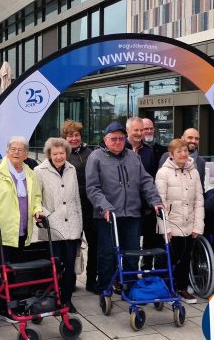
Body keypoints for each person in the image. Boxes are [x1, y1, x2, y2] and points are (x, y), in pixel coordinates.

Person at [86, 121, 163, 295]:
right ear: (106, 140)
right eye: (113, 139)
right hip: (107, 215)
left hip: (132, 214)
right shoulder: (96, 157)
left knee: (132, 253)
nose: (118, 142)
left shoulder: (133, 157)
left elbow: (145, 182)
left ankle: (129, 287)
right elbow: (92, 188)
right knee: (107, 254)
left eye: (121, 138)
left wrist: (156, 201)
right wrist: (104, 207)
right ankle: (105, 287)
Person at [0, 136, 43, 314]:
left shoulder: (29, 172)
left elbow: (36, 198)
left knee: (15, 272)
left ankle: (10, 307)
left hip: (21, 232)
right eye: (13, 149)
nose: (16, 152)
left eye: (20, 150)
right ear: (7, 151)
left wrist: (38, 210)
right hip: (1, 231)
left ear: (26, 154)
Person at [34, 137, 82, 312]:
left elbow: (76, 199)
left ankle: (67, 300)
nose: (59, 156)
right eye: (55, 153)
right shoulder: (39, 171)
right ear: (49, 154)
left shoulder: (72, 170)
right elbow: (36, 200)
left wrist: (80, 225)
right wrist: (47, 216)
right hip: (52, 227)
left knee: (70, 267)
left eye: (62, 153)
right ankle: (51, 299)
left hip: (72, 228)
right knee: (53, 266)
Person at [154, 139, 203, 303]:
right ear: (171, 155)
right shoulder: (163, 173)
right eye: (179, 151)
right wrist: (165, 228)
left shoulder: (194, 172)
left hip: (189, 224)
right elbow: (160, 202)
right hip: (172, 225)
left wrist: (198, 225)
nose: (183, 154)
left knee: (185, 258)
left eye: (185, 151)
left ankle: (182, 288)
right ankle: (165, 288)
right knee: (168, 259)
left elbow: (199, 200)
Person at [61, 119, 97, 292]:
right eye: (70, 135)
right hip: (72, 208)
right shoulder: (62, 155)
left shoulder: (91, 153)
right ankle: (71, 281)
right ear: (64, 138)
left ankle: (92, 281)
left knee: (95, 245)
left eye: (76, 135)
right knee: (72, 247)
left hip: (91, 207)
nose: (74, 138)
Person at [125, 116, 161, 273]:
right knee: (127, 244)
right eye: (136, 130)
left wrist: (151, 203)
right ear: (128, 130)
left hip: (145, 207)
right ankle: (123, 277)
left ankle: (142, 272)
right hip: (124, 207)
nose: (140, 133)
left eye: (142, 130)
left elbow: (150, 179)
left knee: (148, 241)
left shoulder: (148, 152)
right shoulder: (120, 148)